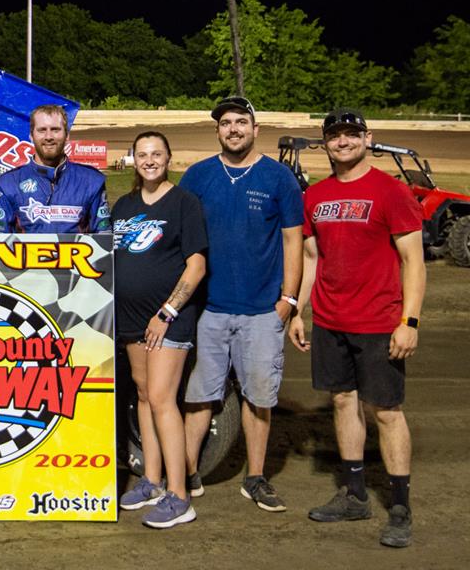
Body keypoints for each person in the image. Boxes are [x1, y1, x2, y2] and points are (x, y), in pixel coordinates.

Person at [289, 109, 425, 548]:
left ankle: (400, 505)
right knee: (342, 400)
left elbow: (414, 263)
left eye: (351, 134)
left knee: (385, 410)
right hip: (330, 320)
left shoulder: (393, 191)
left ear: (368, 138)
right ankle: (354, 495)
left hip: (380, 322)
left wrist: (410, 321)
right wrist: (299, 311)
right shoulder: (316, 196)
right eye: (335, 136)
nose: (343, 142)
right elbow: (312, 259)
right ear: (325, 142)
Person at [179, 96, 304, 511]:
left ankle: (255, 477)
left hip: (261, 311)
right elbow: (181, 237)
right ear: (218, 131)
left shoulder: (278, 178)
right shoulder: (198, 176)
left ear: (255, 129)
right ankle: (187, 472)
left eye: (240, 122)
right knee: (199, 395)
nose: (233, 129)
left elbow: (293, 241)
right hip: (209, 309)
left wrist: (288, 300)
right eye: (226, 123)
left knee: (259, 398)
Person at [113, 132, 207, 529]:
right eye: (142, 154)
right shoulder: (124, 205)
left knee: (163, 398)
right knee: (144, 396)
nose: (149, 161)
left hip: (168, 317)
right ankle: (151, 480)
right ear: (133, 159)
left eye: (157, 154)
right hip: (131, 318)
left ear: (169, 158)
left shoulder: (184, 203)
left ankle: (179, 495)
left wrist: (167, 311)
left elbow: (196, 265)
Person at [0, 104, 110, 234]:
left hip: (77, 254)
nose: (49, 137)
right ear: (31, 136)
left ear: (67, 135)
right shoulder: (7, 183)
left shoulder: (92, 180)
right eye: (42, 130)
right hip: (25, 255)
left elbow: (104, 236)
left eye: (55, 129)